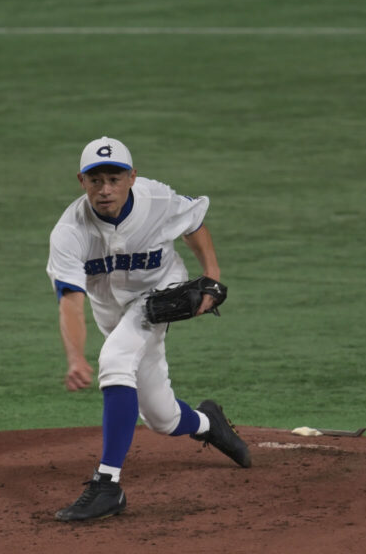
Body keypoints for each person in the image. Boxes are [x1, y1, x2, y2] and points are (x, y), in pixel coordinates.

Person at [47, 136, 250, 522]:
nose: (105, 189)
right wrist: (74, 356)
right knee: (162, 418)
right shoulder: (69, 231)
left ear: (132, 178)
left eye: (114, 178)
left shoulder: (156, 200)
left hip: (157, 296)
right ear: (81, 181)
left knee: (115, 360)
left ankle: (107, 485)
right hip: (109, 311)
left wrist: (212, 273)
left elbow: (193, 221)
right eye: (96, 180)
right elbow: (71, 300)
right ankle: (210, 423)